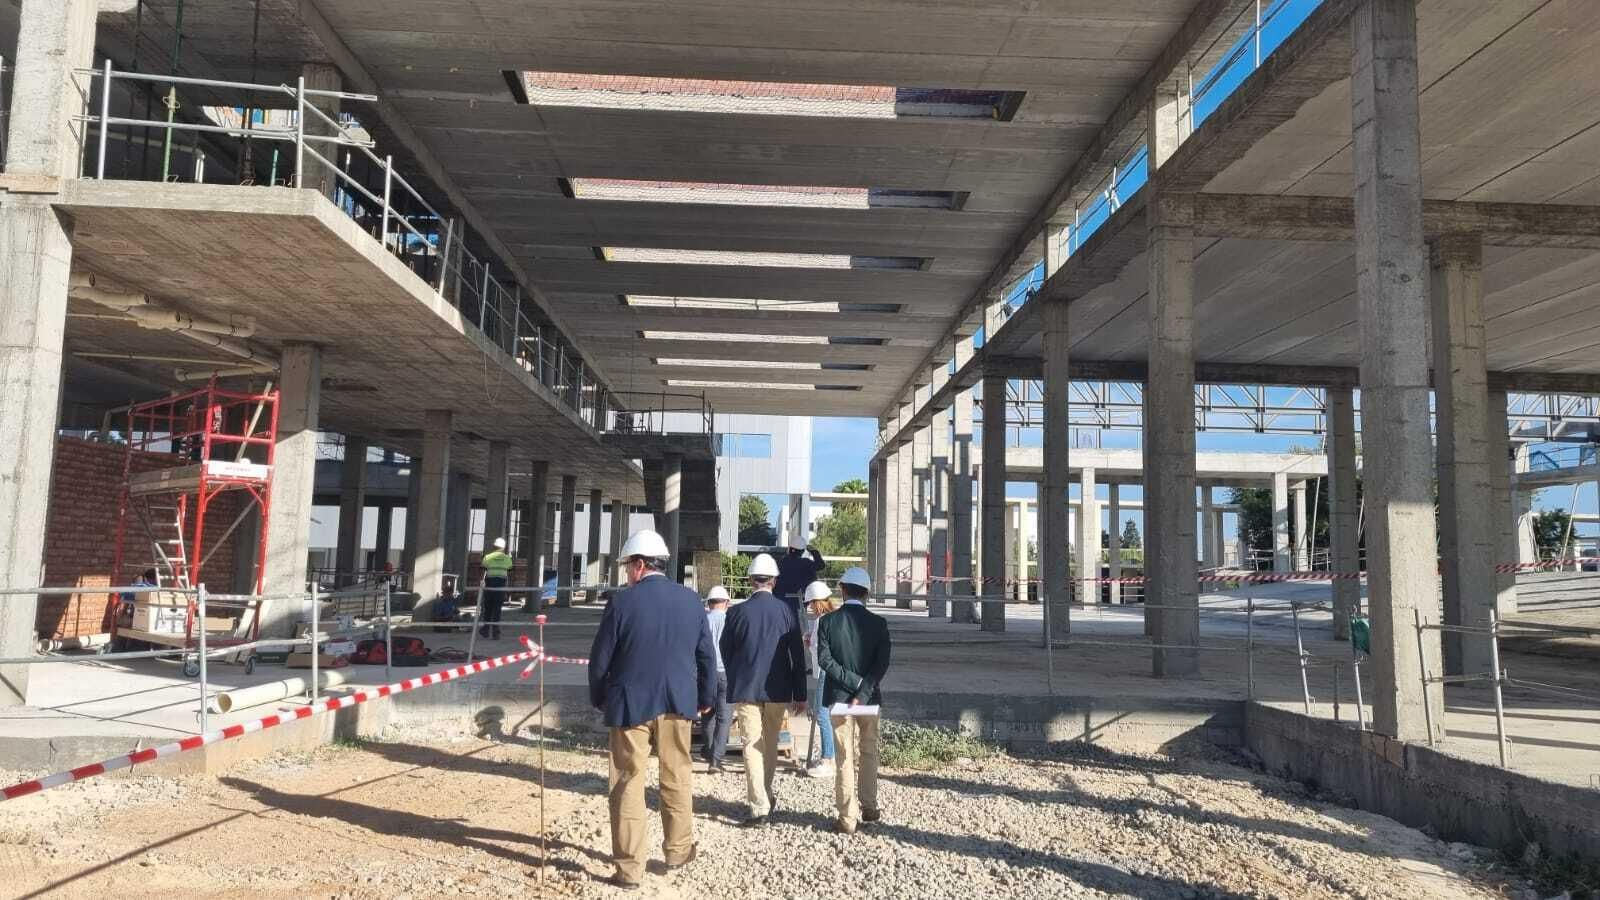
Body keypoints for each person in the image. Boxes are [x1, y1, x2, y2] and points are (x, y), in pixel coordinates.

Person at [588, 529, 716, 891]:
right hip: (678, 702)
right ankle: (677, 850)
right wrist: (704, 697)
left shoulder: (621, 603)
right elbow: (706, 654)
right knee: (677, 774)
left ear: (641, 564)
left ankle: (629, 868)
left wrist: (600, 696)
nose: (627, 572)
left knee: (628, 781)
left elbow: (600, 659)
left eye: (629, 566)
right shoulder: (692, 602)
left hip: (630, 703)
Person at [719, 552, 807, 828]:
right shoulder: (787, 612)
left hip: (746, 689)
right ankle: (765, 794)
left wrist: (737, 675)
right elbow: (797, 655)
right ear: (775, 580)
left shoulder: (735, 613)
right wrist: (800, 693)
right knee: (769, 744)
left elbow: (725, 650)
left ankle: (759, 806)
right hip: (779, 689)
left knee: (750, 745)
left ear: (750, 580)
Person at [818, 566, 892, 835]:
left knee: (844, 757)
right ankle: (870, 807)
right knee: (870, 752)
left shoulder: (827, 623)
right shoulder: (879, 624)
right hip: (870, 700)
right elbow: (881, 664)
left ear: (842, 589)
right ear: (867, 593)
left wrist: (852, 684)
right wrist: (863, 690)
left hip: (838, 699)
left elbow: (825, 660)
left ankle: (847, 818)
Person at [800, 580, 837, 779]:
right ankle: (833, 756)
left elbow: (818, 648)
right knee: (830, 714)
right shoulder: (836, 617)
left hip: (824, 671)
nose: (810, 608)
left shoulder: (822, 621)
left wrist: (808, 641)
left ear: (816, 602)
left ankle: (827, 759)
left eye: (811, 604)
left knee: (822, 714)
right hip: (835, 671)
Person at [700, 585, 733, 772]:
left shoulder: (703, 620)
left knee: (707, 712)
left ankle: (708, 749)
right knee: (724, 717)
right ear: (726, 603)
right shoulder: (730, 621)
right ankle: (716, 759)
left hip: (706, 672)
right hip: (726, 673)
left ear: (709, 603)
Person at [773, 535, 824, 617]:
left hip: (781, 603)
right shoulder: (806, 563)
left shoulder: (780, 563)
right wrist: (814, 551)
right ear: (803, 551)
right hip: (800, 604)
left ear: (789, 549)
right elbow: (821, 565)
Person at [478, 537, 514, 639]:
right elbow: (510, 573)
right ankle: (495, 631)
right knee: (497, 608)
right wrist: (509, 587)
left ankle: (486, 629)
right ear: (503, 547)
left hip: (489, 583)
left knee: (488, 607)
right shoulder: (507, 558)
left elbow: (482, 572)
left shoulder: (488, 557)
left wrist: (481, 583)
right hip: (501, 584)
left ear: (494, 546)